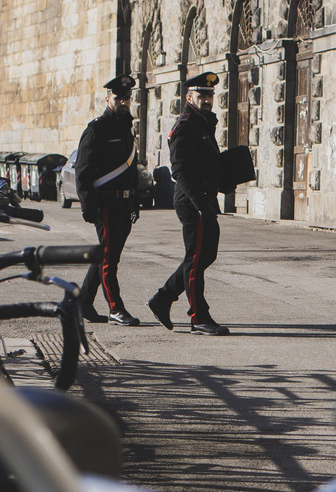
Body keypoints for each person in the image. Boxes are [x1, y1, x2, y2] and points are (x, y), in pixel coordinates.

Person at [147, 71, 229, 335]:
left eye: (209, 95)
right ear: (189, 97)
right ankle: (198, 317)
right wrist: (198, 202)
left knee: (205, 255)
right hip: (193, 202)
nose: (206, 100)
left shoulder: (203, 123)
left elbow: (205, 164)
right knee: (195, 259)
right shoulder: (185, 126)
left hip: (205, 199)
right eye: (201, 95)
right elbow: (179, 171)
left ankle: (162, 298)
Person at [72, 74, 142, 326]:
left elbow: (131, 168)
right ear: (107, 99)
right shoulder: (96, 129)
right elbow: (83, 170)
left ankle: (83, 303)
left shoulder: (126, 127)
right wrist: (87, 204)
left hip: (124, 203)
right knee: (109, 259)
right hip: (105, 204)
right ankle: (115, 308)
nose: (123, 101)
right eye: (118, 98)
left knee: (106, 255)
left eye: (127, 98)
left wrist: (135, 200)